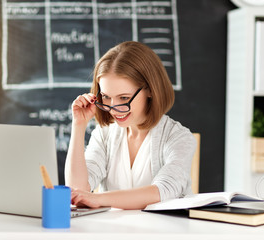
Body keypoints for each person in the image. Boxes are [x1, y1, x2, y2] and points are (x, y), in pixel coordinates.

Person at [64, 41, 197, 210]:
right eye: (105, 97)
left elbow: (163, 191)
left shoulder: (179, 137)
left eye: (124, 98)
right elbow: (77, 191)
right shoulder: (104, 134)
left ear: (150, 90)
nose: (113, 108)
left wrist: (98, 199)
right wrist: (79, 125)